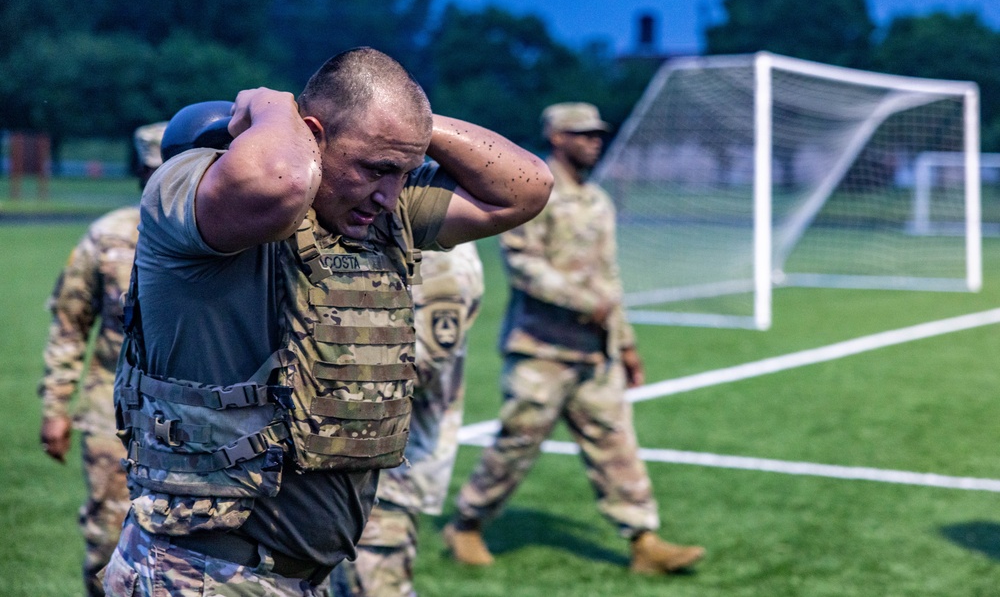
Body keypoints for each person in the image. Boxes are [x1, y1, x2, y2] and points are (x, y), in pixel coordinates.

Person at [103, 47, 553, 597]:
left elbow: (526, 189)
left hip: (294, 578)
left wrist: (405, 126)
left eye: (403, 172)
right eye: (377, 169)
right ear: (312, 135)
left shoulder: (376, 212)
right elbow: (280, 182)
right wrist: (274, 106)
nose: (389, 196)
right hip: (202, 574)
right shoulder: (190, 190)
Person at [443, 102, 706, 575]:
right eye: (583, 134)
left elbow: (611, 279)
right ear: (557, 138)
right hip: (541, 350)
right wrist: (584, 302)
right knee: (516, 445)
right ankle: (466, 523)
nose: (594, 141)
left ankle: (643, 541)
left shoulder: (598, 201)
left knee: (616, 445)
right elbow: (523, 266)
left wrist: (624, 343)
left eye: (598, 134)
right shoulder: (533, 193)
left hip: (595, 352)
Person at [39, 121, 167, 597]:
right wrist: (55, 408)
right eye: (154, 171)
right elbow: (70, 323)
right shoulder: (108, 236)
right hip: (111, 411)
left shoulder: (215, 239)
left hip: (191, 417)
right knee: (108, 543)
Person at [332, 242, 484, 597]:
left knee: (374, 585)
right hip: (349, 456)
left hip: (390, 468)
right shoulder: (392, 237)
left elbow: (421, 365)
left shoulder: (440, 257)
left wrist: (318, 379)